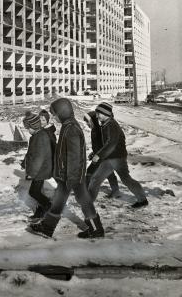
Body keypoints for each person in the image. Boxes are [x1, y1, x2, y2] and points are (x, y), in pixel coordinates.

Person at [28, 98, 104, 239]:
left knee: (82, 201)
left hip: (71, 175)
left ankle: (96, 230)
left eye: (55, 114)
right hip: (68, 174)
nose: (54, 117)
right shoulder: (67, 126)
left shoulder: (71, 129)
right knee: (60, 200)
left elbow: (74, 156)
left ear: (62, 112)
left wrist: (70, 177)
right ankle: (48, 228)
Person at [88, 102, 148, 209]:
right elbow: (106, 143)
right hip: (110, 158)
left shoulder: (111, 125)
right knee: (96, 179)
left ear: (105, 113)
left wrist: (99, 155)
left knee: (126, 179)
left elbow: (111, 143)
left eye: (98, 113)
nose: (97, 116)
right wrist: (97, 153)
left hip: (117, 158)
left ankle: (142, 199)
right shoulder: (106, 124)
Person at [23, 111, 53, 221]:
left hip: (41, 170)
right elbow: (31, 152)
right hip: (39, 169)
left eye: (28, 128)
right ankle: (41, 211)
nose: (27, 130)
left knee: (34, 192)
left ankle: (48, 205)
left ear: (34, 126)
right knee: (37, 192)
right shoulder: (36, 135)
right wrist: (24, 162)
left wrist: (32, 173)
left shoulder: (40, 137)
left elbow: (39, 158)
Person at [83, 111, 121, 198]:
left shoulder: (98, 130)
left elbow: (105, 144)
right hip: (101, 156)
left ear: (92, 121)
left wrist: (98, 155)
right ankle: (116, 191)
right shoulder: (96, 129)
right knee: (109, 173)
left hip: (102, 157)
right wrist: (94, 153)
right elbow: (99, 145)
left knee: (90, 172)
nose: (86, 124)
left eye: (87, 122)